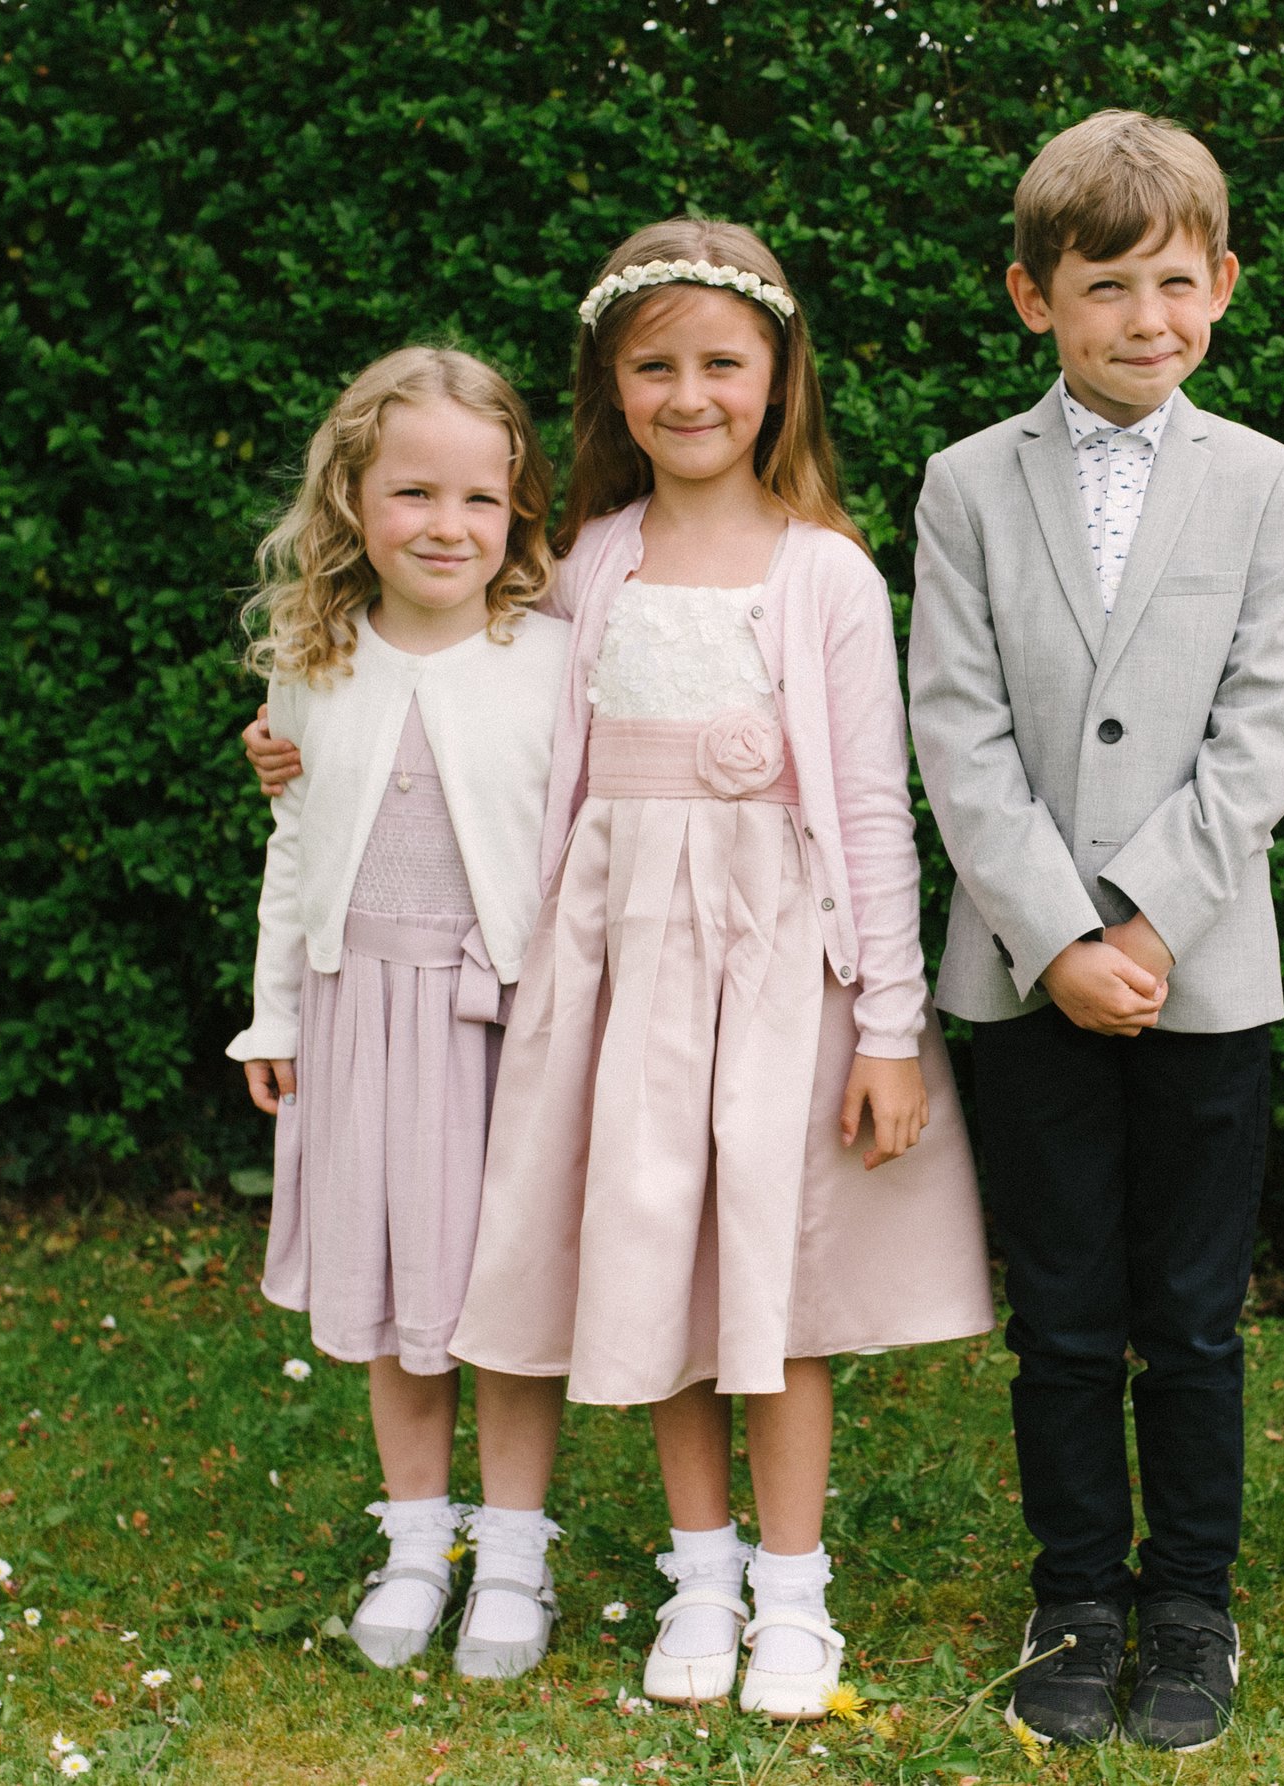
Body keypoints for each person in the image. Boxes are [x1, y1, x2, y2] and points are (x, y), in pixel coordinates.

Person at [245, 220, 993, 1715]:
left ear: (780, 378)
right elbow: (494, 730)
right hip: (620, 966)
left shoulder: (826, 572)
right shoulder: (585, 561)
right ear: (609, 384)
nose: (691, 392)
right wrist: (295, 750)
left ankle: (794, 1594)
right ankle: (697, 1575)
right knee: (654, 1253)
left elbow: (867, 806)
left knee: (766, 1281)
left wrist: (891, 1025)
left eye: (723, 362)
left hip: (782, 962)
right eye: (654, 365)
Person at [906, 110, 1284, 1752]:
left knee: (1193, 1310)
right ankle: (1078, 1591)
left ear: (1220, 284)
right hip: (1025, 980)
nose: (1144, 317)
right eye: (1105, 287)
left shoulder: (1268, 483)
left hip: (1204, 969)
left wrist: (1145, 915)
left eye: (1174, 281)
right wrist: (1055, 938)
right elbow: (955, 725)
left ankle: (1192, 1602)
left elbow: (1269, 721)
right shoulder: (964, 484)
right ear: (1035, 300)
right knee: (1066, 1302)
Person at [227, 345, 572, 1677]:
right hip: (359, 1008)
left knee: (504, 1288)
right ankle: (418, 1538)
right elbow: (296, 847)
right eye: (414, 494)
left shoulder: (546, 658)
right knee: (392, 1284)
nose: (447, 525)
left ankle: (519, 1551)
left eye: (480, 500)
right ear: (354, 506)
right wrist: (276, 1018)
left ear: (519, 513)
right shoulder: (315, 662)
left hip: (501, 1021)